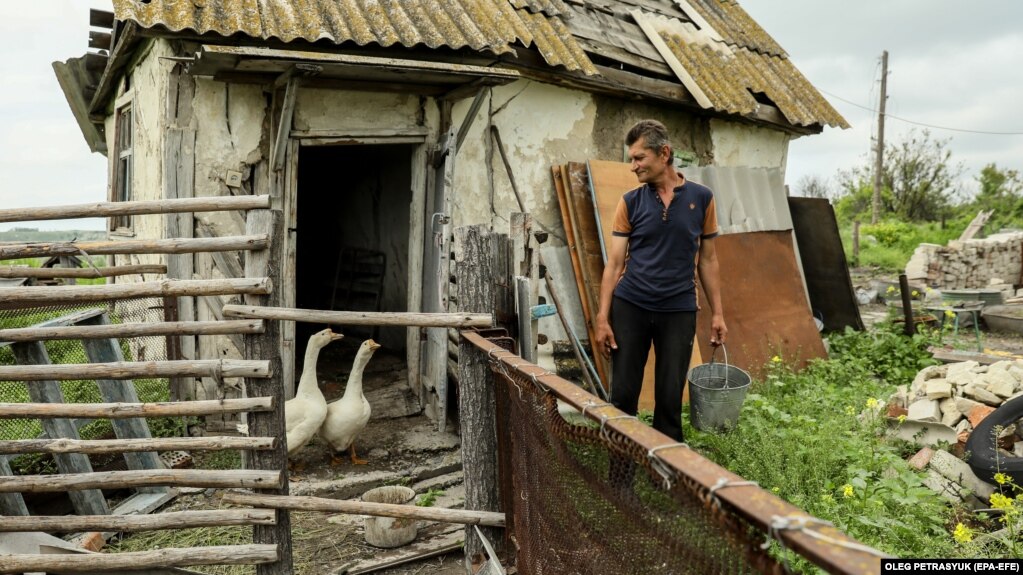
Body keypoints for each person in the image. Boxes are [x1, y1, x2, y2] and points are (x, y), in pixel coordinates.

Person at [594, 119, 727, 442]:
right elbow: (613, 265)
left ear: (664, 153)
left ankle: (664, 479)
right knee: (623, 396)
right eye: (632, 159)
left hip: (678, 309)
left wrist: (718, 314)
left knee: (669, 400)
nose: (633, 166)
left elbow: (708, 260)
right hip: (631, 307)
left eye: (639, 158)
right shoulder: (630, 202)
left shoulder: (702, 199)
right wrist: (602, 318)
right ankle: (621, 476)